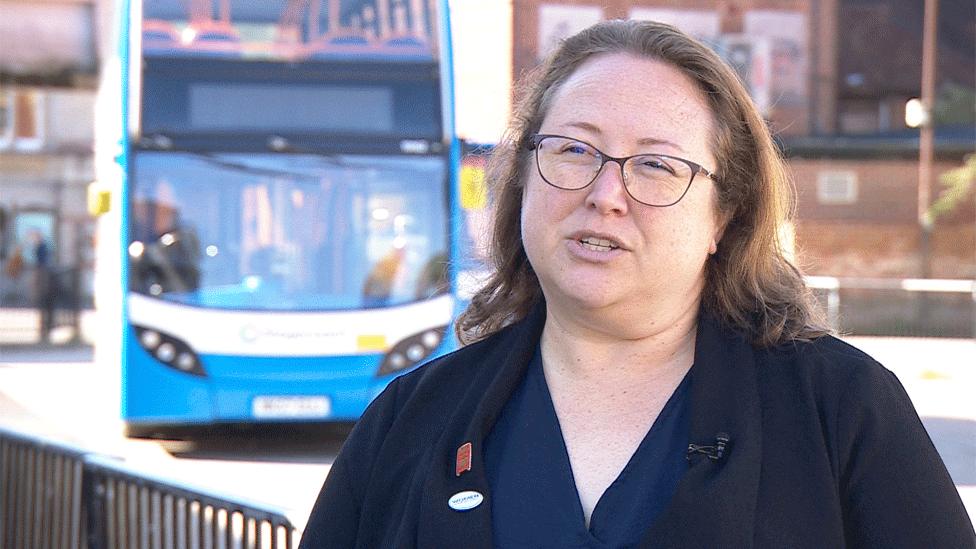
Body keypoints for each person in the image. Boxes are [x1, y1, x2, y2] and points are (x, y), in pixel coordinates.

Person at [299, 20, 975, 548]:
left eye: (655, 165)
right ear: (524, 177)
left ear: (725, 215)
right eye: (573, 150)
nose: (605, 193)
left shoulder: (839, 409)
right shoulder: (408, 419)